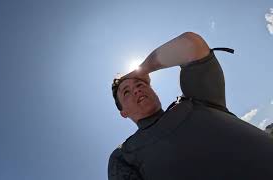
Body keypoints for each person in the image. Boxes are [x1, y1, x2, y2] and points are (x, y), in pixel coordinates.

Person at [108, 32, 273, 180]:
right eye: (126, 92)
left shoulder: (198, 99)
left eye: (139, 84)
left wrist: (139, 71)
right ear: (124, 112)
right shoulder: (125, 155)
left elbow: (191, 45)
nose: (136, 89)